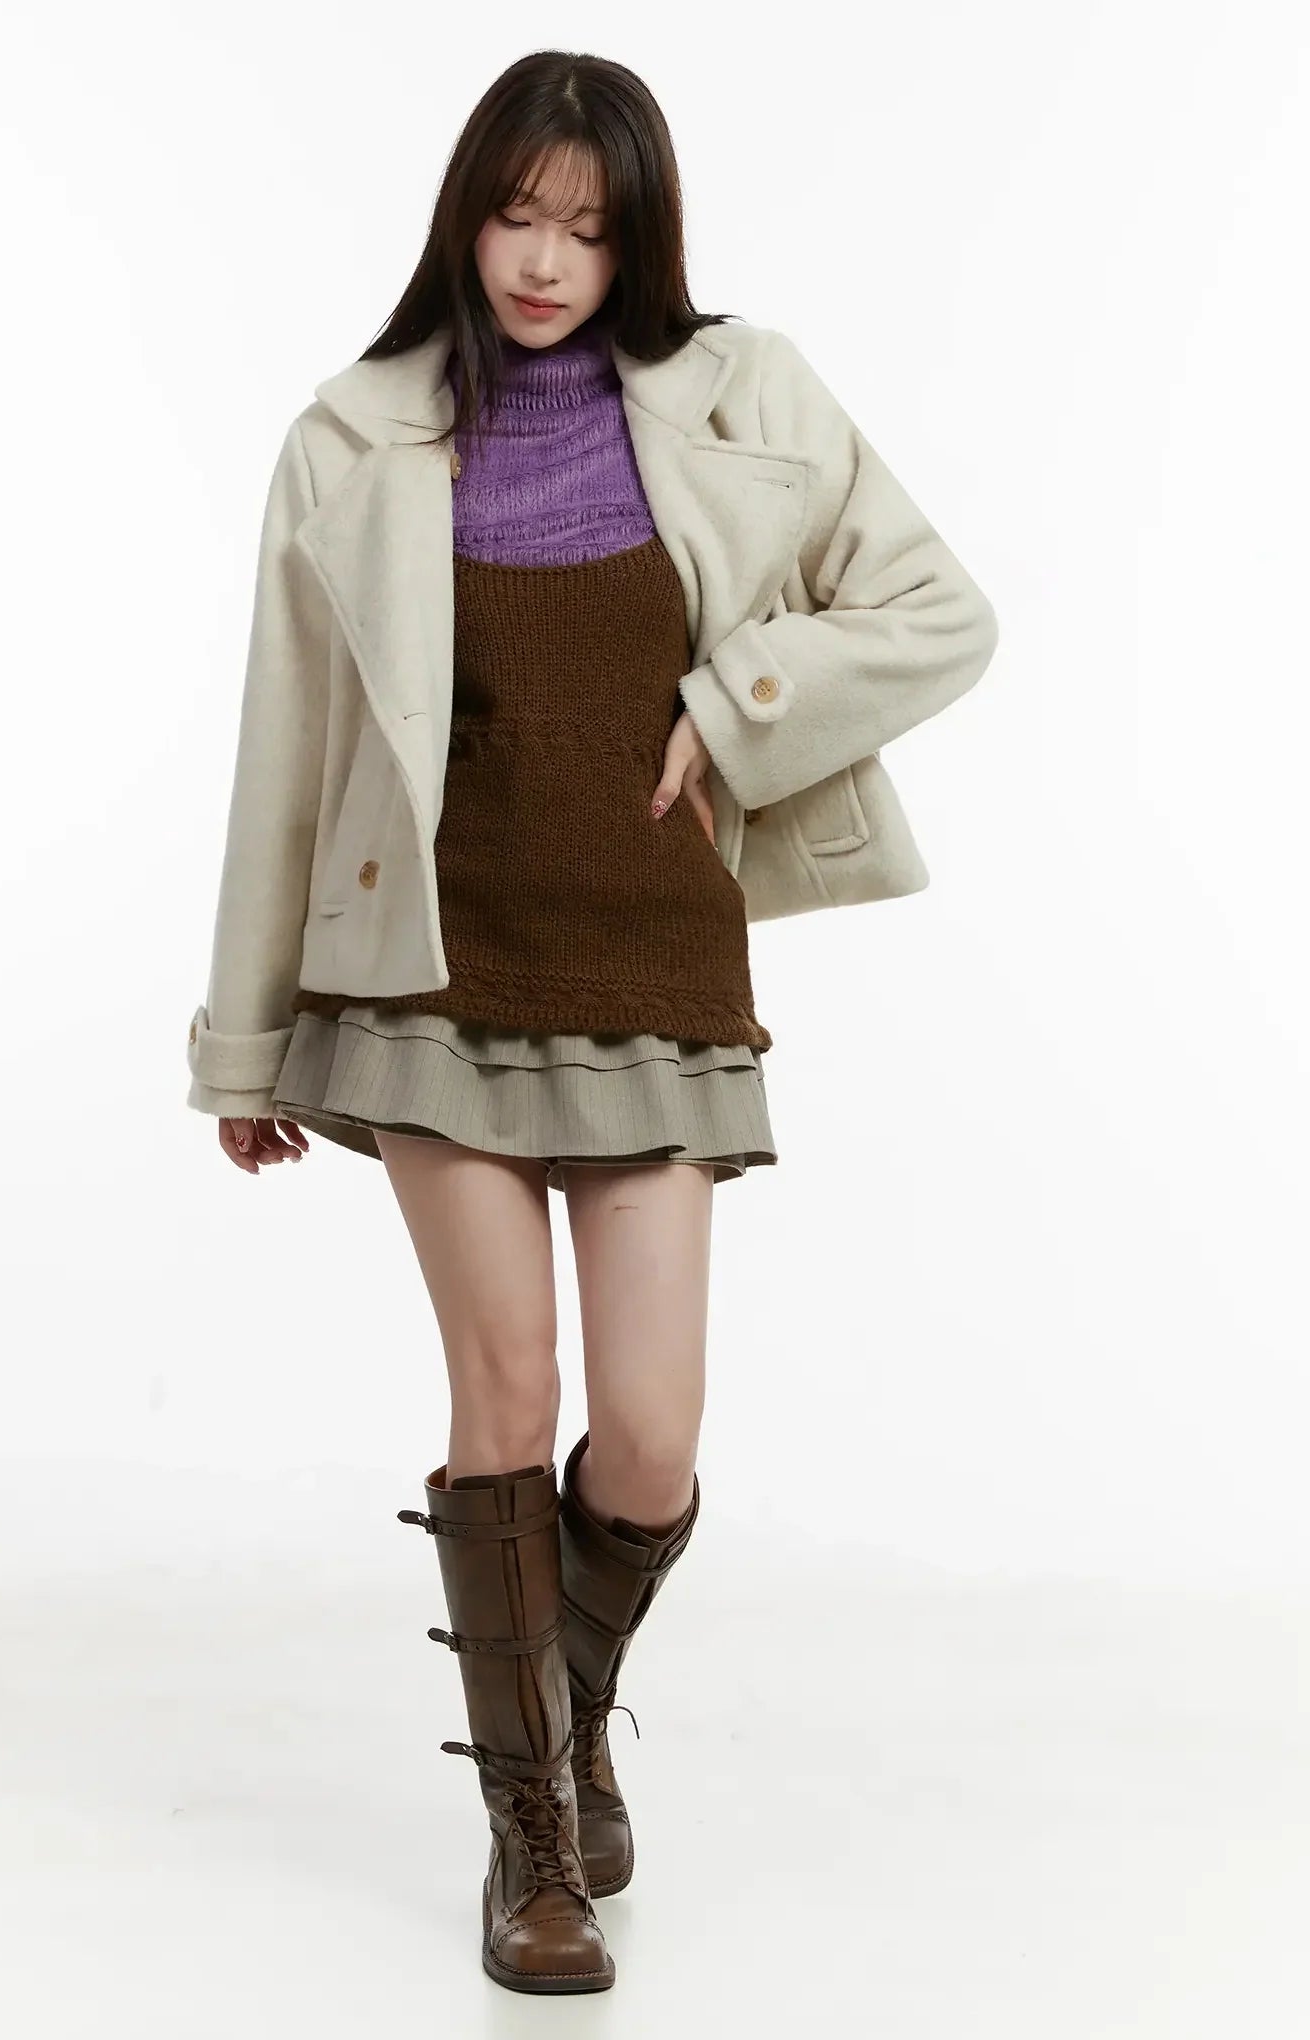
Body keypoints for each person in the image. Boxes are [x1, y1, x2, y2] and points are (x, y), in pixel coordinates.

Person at [185, 51, 999, 1996]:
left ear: (642, 242)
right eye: (516, 214)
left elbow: (938, 612)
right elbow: (286, 751)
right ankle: (531, 1841)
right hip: (430, 975)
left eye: (589, 227)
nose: (545, 261)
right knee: (508, 1398)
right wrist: (245, 1041)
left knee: (646, 1436)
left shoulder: (746, 395)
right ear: (464, 214)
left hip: (655, 969)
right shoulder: (351, 437)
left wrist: (739, 703)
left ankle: (557, 1705)